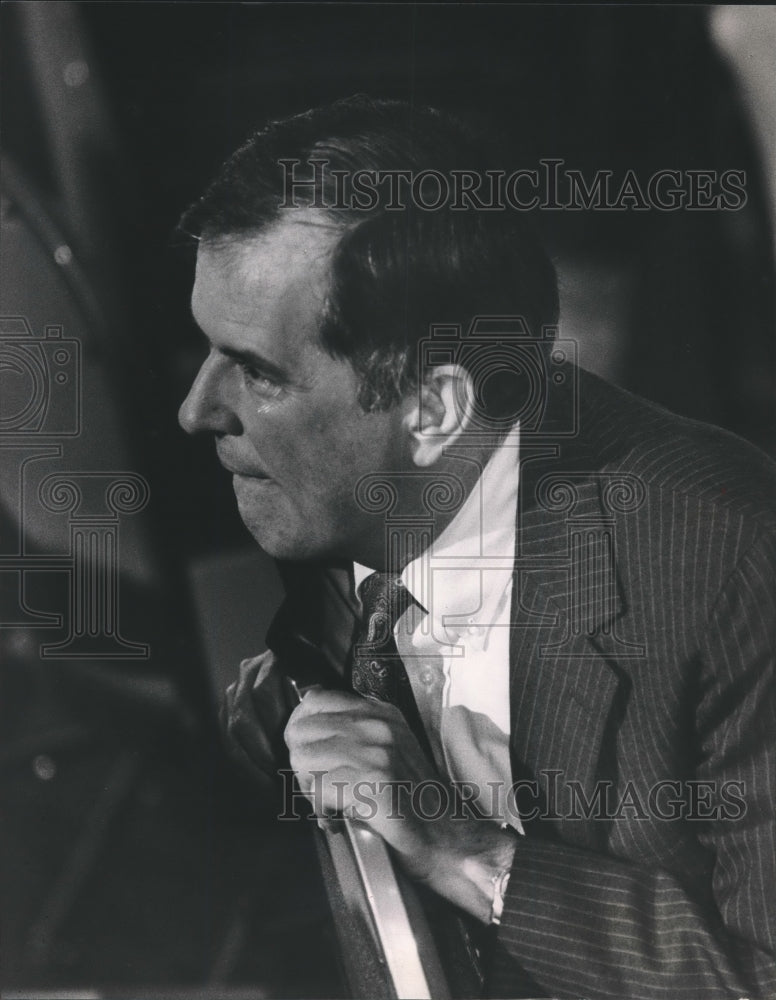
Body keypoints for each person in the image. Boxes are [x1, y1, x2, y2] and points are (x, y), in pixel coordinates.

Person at [177, 97, 776, 998]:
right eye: (207, 351)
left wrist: (465, 851)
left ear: (434, 411)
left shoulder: (728, 567)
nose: (196, 410)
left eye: (259, 371)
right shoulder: (324, 487)